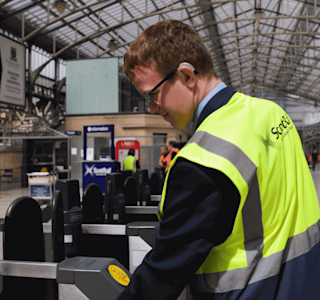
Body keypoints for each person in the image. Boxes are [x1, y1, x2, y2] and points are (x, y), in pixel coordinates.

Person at [117, 20, 320, 300]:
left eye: (152, 95)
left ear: (187, 76)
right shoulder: (272, 114)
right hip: (305, 283)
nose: (152, 109)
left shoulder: (202, 161)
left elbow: (164, 274)